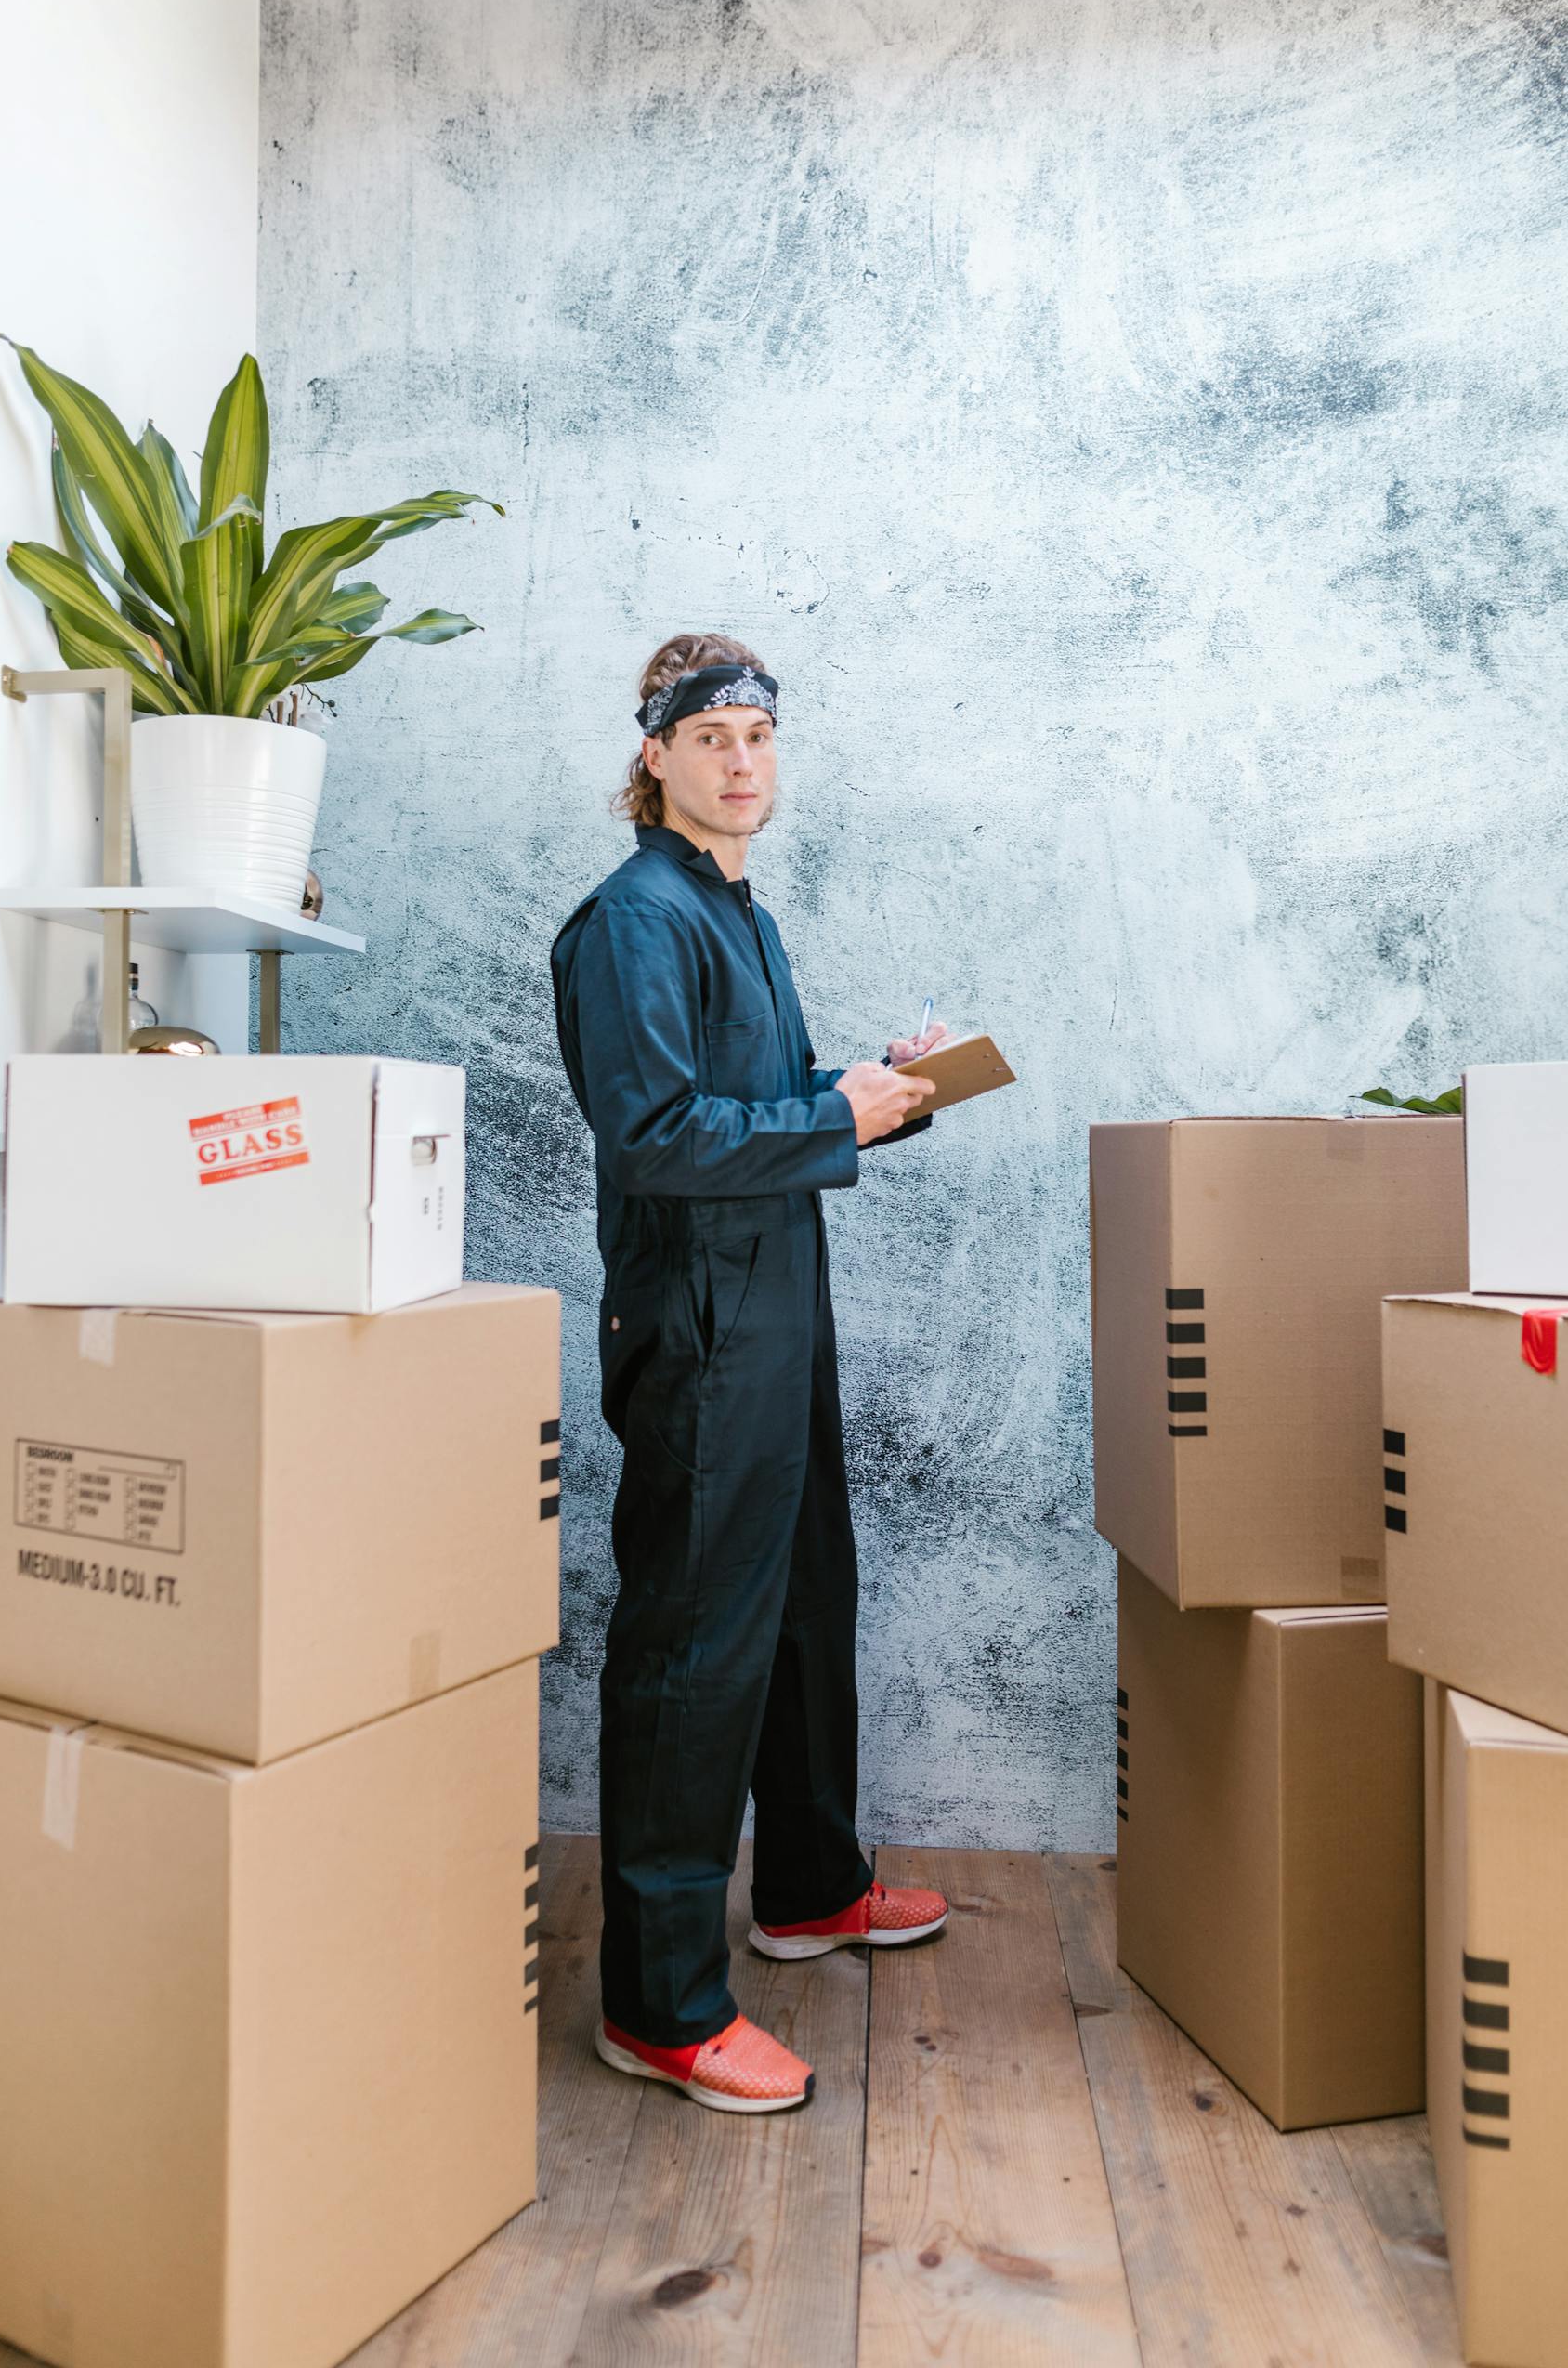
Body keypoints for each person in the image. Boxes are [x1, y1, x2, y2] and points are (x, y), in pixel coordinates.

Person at [551, 632, 951, 2115]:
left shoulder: (740, 913)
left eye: (759, 736)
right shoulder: (633, 922)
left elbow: (768, 1114)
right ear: (653, 756)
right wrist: (827, 1116)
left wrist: (880, 1102)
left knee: (801, 1606)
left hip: (783, 1313)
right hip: (703, 1335)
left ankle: (809, 1884)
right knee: (691, 1648)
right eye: (709, 735)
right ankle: (660, 2004)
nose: (740, 758)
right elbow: (654, 1135)